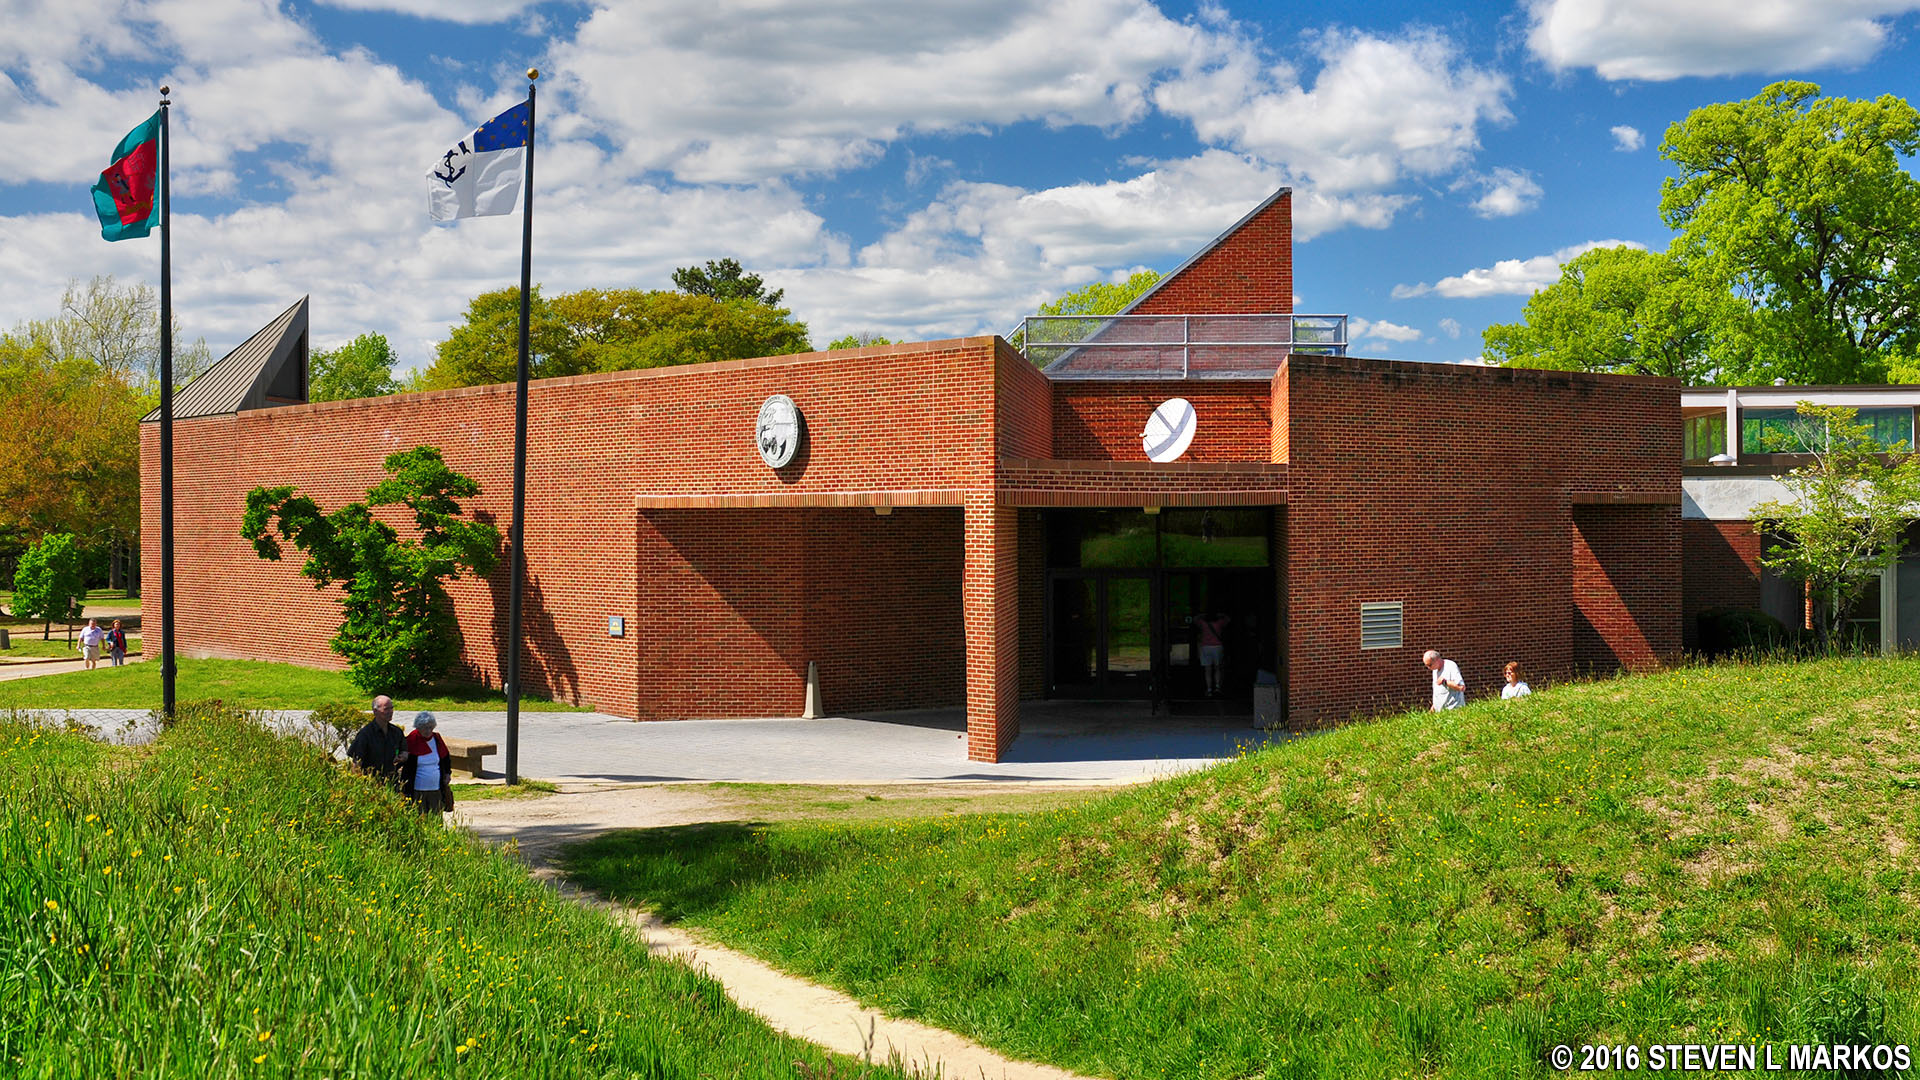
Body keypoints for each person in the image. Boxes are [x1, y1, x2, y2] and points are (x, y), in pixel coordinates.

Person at [346, 695, 407, 791]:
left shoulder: (396, 732)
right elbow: (356, 763)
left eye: (391, 708)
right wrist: (356, 787)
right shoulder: (365, 734)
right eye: (386, 709)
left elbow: (404, 750)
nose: (390, 712)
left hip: (392, 784)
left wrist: (403, 756)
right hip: (371, 785)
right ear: (375, 711)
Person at [401, 711, 454, 816]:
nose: (428, 730)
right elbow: (404, 763)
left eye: (430, 727)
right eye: (425, 728)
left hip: (436, 788)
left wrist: (448, 774)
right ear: (418, 727)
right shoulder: (411, 740)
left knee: (436, 818)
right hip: (416, 790)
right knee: (418, 818)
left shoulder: (437, 739)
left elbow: (445, 759)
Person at [1195, 612, 1231, 697]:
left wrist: (1202, 615)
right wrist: (1221, 614)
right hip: (1217, 647)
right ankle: (1217, 688)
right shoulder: (1219, 622)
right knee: (1217, 668)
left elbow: (1195, 619)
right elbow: (1228, 619)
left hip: (1206, 647)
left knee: (1207, 670)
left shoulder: (1203, 623)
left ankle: (1209, 690)